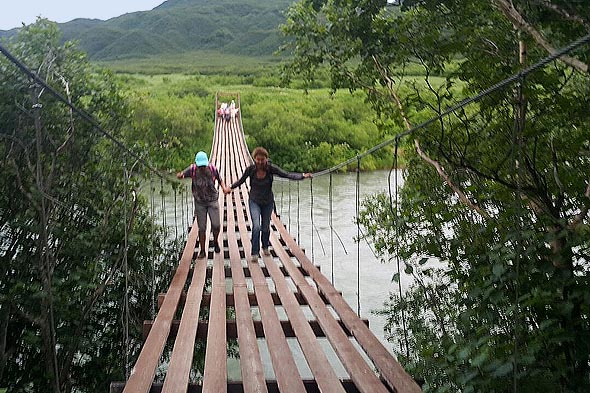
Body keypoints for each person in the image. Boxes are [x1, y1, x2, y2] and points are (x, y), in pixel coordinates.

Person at [223, 147, 312, 262]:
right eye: (258, 159)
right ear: (254, 159)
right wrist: (230, 188)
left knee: (265, 227)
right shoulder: (251, 170)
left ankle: (265, 246)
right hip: (254, 201)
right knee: (256, 226)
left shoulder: (271, 169)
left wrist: (302, 176)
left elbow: (286, 175)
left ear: (266, 159)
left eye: (262, 159)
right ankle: (255, 252)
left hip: (268, 202)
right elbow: (241, 180)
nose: (260, 162)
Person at [177, 151, 227, 258]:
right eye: (200, 165)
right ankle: (203, 250)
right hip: (199, 202)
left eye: (203, 165)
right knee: (202, 228)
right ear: (196, 164)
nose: (202, 167)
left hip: (212, 200)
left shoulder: (212, 169)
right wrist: (180, 175)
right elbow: (182, 174)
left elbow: (220, 179)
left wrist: (224, 188)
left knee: (216, 225)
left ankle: (216, 241)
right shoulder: (192, 169)